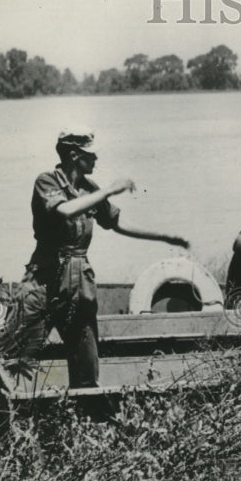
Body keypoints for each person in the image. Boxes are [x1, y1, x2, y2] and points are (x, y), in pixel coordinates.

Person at [20, 128, 189, 387]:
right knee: (20, 357)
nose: (96, 159)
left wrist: (164, 236)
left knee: (86, 365)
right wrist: (109, 189)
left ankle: (85, 417)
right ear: (74, 155)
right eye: (91, 154)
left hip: (79, 287)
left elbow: (116, 221)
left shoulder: (89, 188)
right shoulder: (47, 181)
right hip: (44, 282)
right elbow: (65, 210)